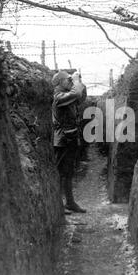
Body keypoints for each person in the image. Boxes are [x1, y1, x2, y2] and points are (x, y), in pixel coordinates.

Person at [52, 70, 86, 214]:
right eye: (68, 80)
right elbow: (76, 94)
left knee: (69, 172)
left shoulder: (67, 96)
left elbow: (81, 97)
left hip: (70, 139)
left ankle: (70, 203)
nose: (70, 82)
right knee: (61, 173)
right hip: (62, 141)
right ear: (60, 82)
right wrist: (77, 80)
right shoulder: (59, 97)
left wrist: (79, 82)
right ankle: (59, 204)